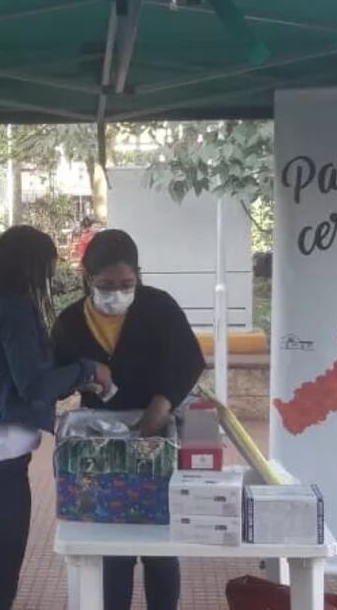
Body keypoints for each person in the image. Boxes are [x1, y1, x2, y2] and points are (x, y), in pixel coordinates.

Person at [0, 225, 112, 610]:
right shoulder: (14, 308)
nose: (48, 279)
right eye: (46, 269)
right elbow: (33, 383)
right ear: (31, 267)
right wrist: (89, 370)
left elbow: (11, 373)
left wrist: (68, 373)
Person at [52, 229, 205, 610]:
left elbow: (189, 360)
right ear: (87, 278)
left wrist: (162, 405)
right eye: (106, 285)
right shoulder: (70, 322)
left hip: (158, 436)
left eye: (126, 284)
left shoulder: (159, 307)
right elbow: (53, 378)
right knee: (111, 546)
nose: (116, 293)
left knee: (160, 546)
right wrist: (81, 375)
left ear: (139, 275)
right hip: (101, 446)